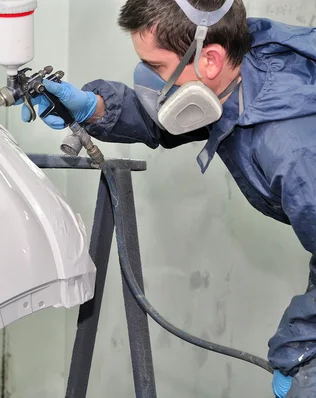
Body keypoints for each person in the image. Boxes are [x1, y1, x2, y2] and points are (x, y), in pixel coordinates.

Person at [18, 0, 316, 396]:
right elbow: (170, 116)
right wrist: (93, 108)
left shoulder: (291, 148)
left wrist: (297, 353)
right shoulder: (243, 65)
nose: (150, 80)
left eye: (157, 68)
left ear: (209, 60)